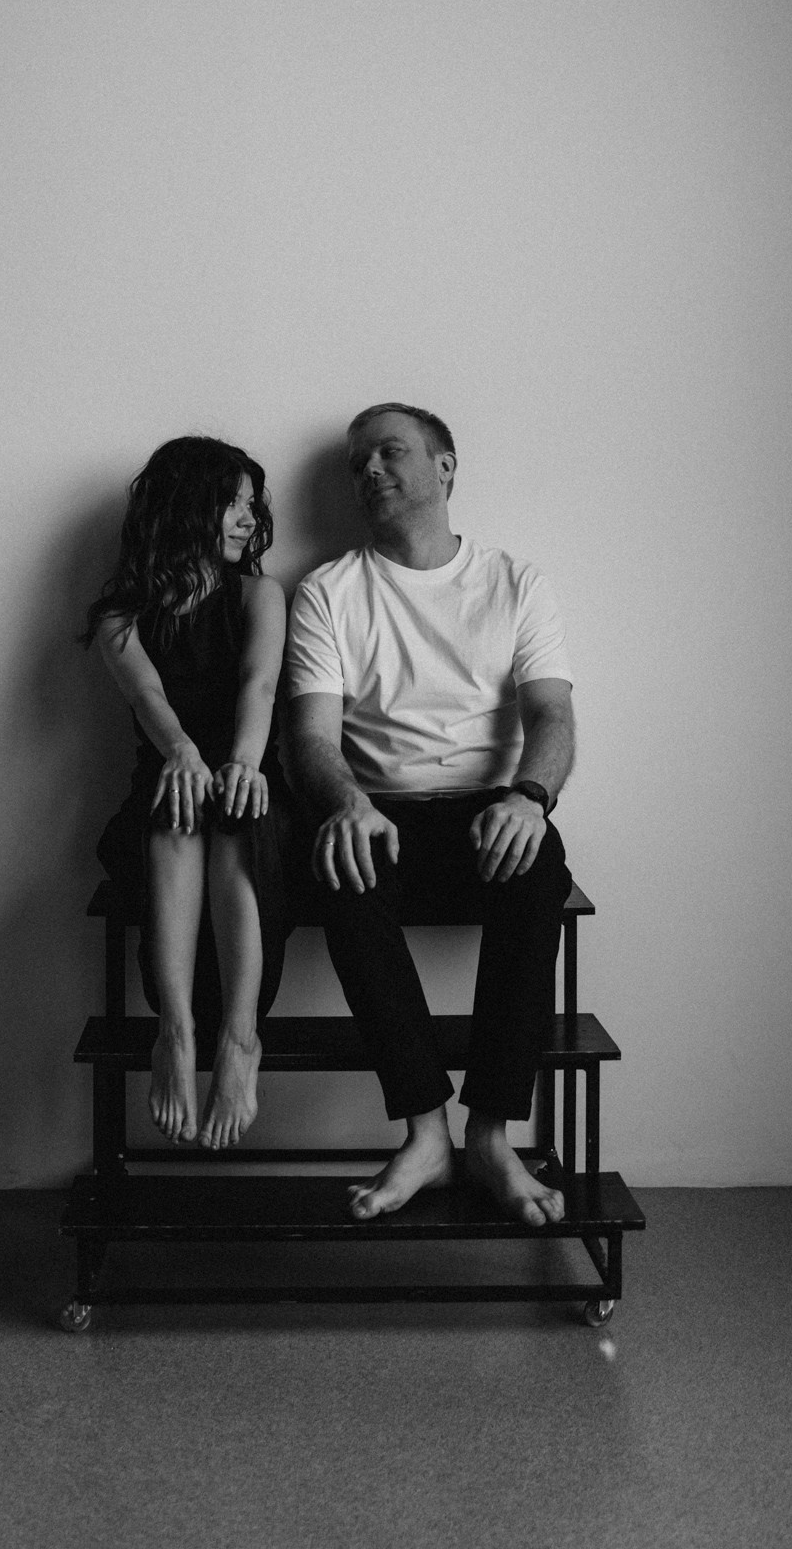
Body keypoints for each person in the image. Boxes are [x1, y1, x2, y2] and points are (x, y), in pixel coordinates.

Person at [285, 404, 575, 1225]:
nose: (370, 471)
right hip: (377, 810)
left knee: (539, 868)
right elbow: (310, 737)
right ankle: (425, 1133)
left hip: (491, 808)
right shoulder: (329, 591)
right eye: (358, 463)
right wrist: (346, 805)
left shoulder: (516, 582)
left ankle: (489, 1136)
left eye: (390, 451)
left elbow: (552, 714)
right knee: (340, 868)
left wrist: (529, 798)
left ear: (445, 466)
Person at [82, 436, 290, 1152]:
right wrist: (182, 753)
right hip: (163, 792)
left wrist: (242, 764)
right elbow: (148, 697)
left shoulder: (260, 595)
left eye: (251, 504)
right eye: (232, 503)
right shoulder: (121, 617)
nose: (248, 518)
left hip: (251, 783)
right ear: (185, 507)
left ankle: (239, 1038)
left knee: (234, 811)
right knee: (179, 809)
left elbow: (259, 686)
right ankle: (174, 1033)